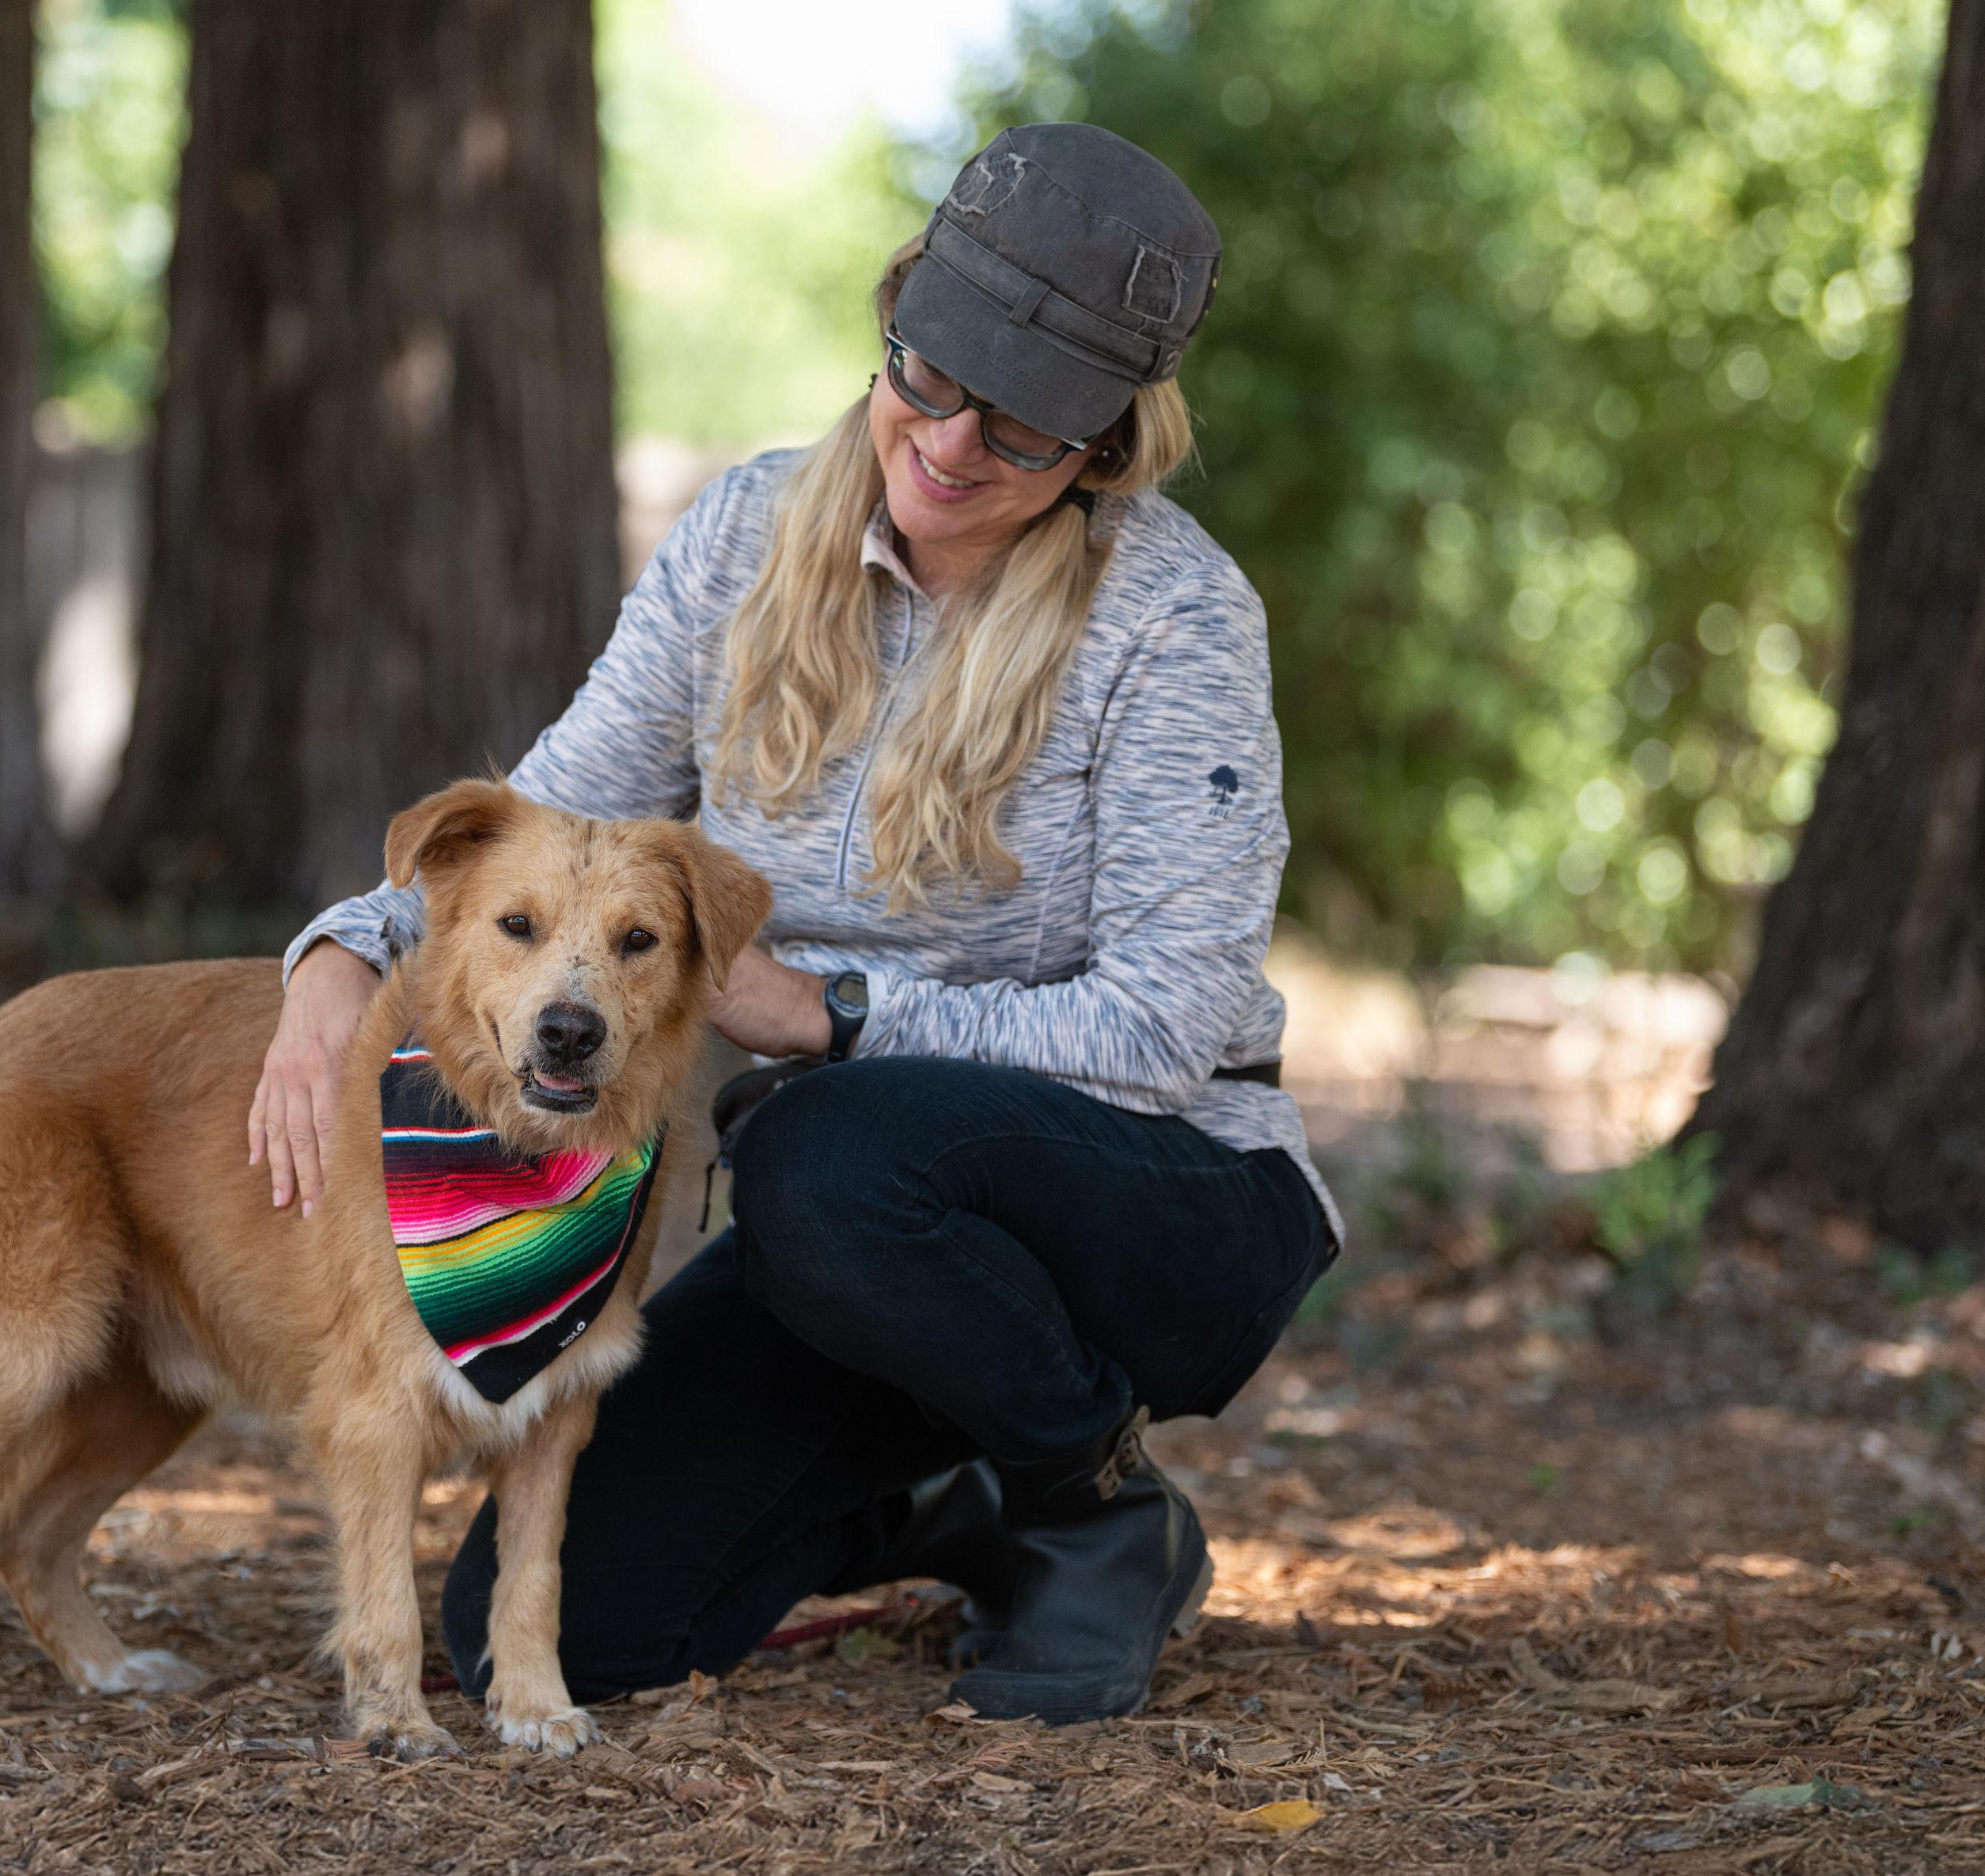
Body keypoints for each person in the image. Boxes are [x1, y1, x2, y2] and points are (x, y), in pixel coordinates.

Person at [251, 123, 1342, 1725]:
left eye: (1021, 431)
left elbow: (1175, 1022)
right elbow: (547, 827)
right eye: (927, 375)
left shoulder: (1174, 619)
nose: (952, 445)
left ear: (1106, 451)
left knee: (826, 1147)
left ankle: (1094, 1508)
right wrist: (338, 956)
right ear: (893, 322)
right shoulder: (744, 538)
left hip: (1164, 1199)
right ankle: (922, 1503)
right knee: (544, 1634)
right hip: (853, 1235)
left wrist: (836, 1019)